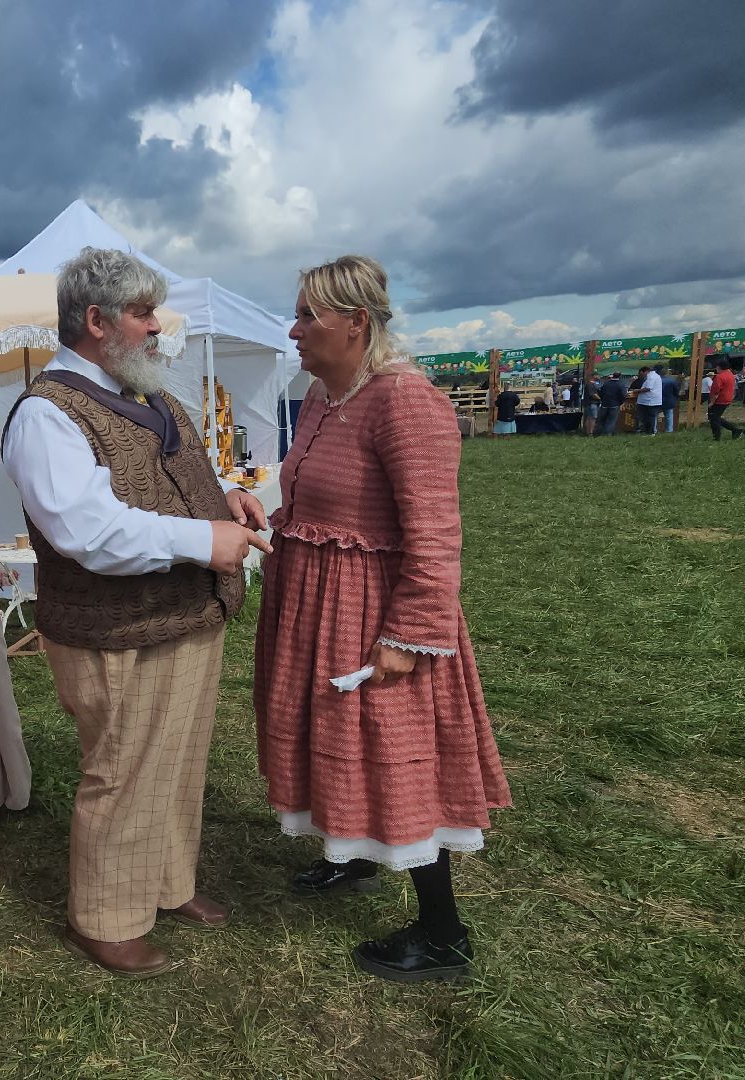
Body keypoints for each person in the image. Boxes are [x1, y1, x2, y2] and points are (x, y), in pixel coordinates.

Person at [1, 246, 268, 978]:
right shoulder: (46, 415)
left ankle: (166, 885)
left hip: (186, 616)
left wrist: (228, 505)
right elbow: (86, 532)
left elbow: (184, 474)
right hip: (115, 631)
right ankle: (106, 918)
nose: (158, 326)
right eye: (143, 312)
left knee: (176, 765)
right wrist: (202, 539)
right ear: (95, 320)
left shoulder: (149, 392)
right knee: (123, 772)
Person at [255, 256, 511, 983]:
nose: (295, 329)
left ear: (356, 323)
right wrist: (267, 521)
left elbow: (435, 535)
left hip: (374, 614)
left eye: (308, 315)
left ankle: (443, 933)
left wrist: (409, 638)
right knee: (333, 741)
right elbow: (309, 502)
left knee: (395, 752)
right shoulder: (319, 395)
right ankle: (352, 860)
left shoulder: (405, 401)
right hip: (316, 602)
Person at [708, 362, 744, 440]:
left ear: (719, 367)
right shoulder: (730, 375)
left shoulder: (719, 377)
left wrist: (712, 402)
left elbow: (716, 391)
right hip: (727, 399)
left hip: (719, 400)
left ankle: (717, 437)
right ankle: (735, 430)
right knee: (715, 417)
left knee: (713, 419)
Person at [633, 365, 663, 434]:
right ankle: (646, 431)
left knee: (649, 417)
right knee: (647, 417)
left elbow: (648, 388)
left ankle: (650, 432)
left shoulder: (651, 377)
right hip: (648, 401)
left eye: (641, 374)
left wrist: (637, 390)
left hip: (649, 401)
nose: (641, 376)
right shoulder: (654, 376)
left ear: (645, 372)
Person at [659, 368, 681, 433]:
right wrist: (676, 396)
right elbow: (676, 390)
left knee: (655, 415)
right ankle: (669, 429)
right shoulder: (672, 381)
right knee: (669, 415)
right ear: (667, 373)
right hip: (669, 399)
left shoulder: (658, 380)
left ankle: (655, 428)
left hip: (658, 399)